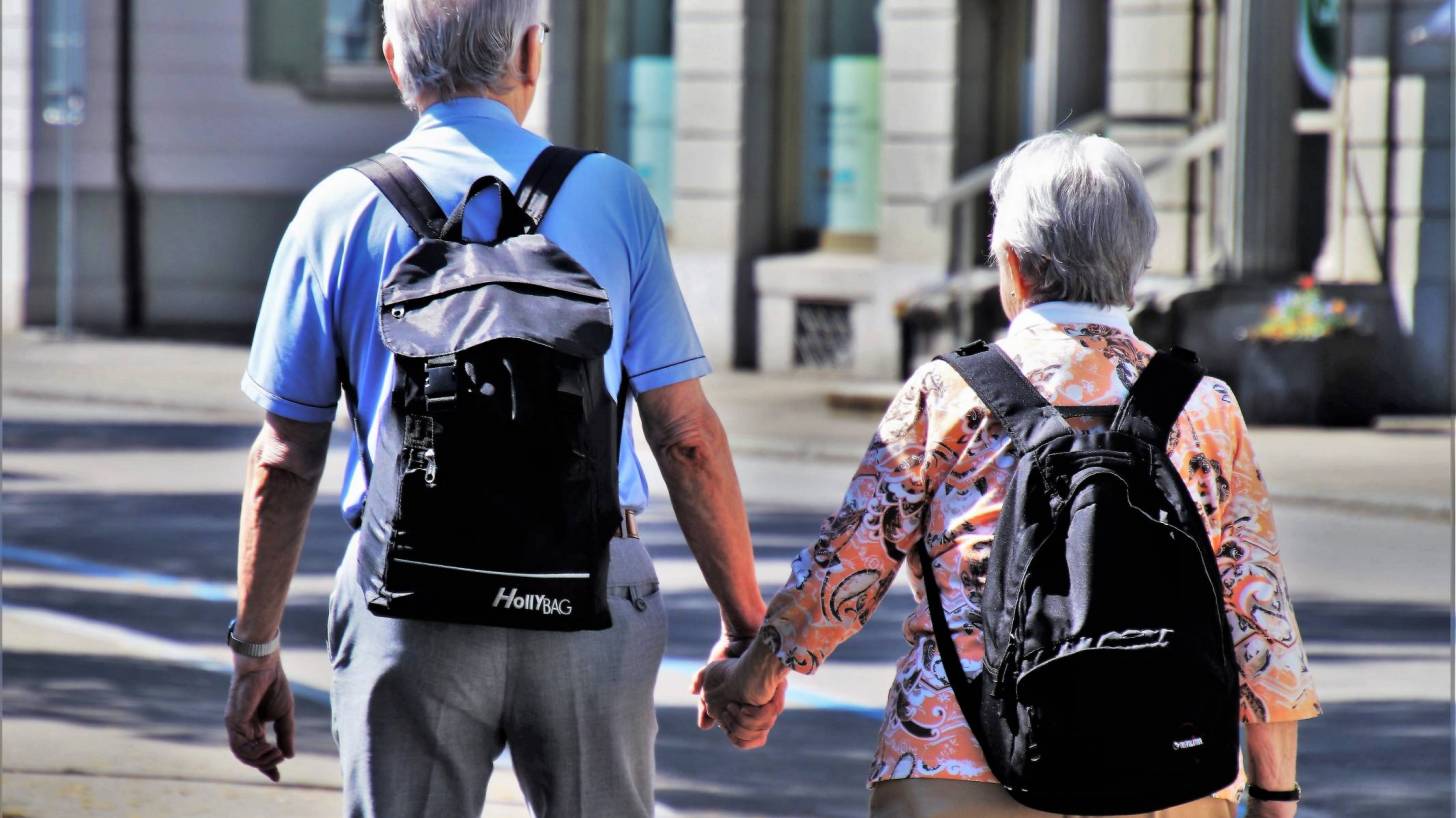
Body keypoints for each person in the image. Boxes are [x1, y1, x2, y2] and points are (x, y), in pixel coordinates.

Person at [223, 2, 779, 815]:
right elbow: (685, 434)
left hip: (408, 601)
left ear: (391, 59)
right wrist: (743, 625)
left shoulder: (335, 211)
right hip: (590, 594)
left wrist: (256, 651)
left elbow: (285, 458)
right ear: (529, 52)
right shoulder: (613, 195)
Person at [700, 132, 1321, 818]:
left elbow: (844, 570)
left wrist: (755, 677)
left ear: (1016, 266)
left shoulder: (948, 394)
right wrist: (1274, 793)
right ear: (1135, 265)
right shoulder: (1204, 407)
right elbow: (1258, 613)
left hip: (954, 763)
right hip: (1165, 771)